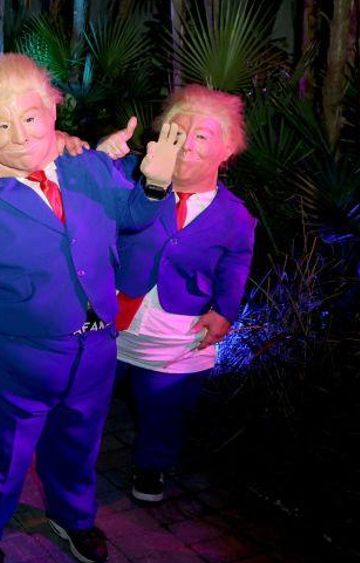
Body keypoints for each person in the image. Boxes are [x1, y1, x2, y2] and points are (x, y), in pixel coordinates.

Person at [0, 54, 184, 563]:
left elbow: (131, 215)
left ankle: (73, 516)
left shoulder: (89, 170)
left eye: (30, 118)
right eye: (1, 124)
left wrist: (153, 182)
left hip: (95, 347)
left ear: (52, 115)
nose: (19, 135)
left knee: (79, 442)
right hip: (11, 358)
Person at [97, 85, 256, 503]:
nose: (186, 143)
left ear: (228, 149)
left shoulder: (236, 216)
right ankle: (73, 455)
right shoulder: (135, 177)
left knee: (165, 409)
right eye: (177, 132)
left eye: (202, 135)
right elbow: (91, 192)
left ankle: (151, 466)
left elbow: (235, 264)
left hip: (178, 333)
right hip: (113, 320)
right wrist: (102, 156)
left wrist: (224, 310)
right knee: (87, 394)